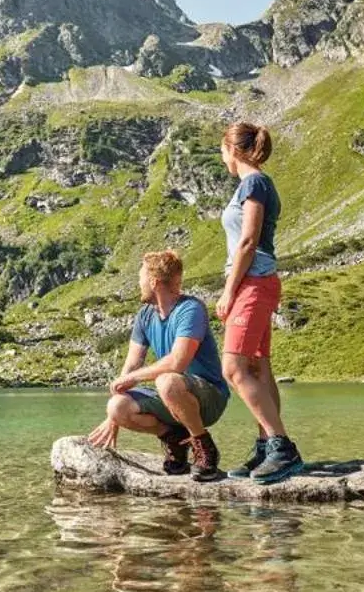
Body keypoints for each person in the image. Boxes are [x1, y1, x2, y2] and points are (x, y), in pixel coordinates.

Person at [86, 249, 228, 481]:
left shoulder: (191, 309)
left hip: (209, 397)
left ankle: (204, 447)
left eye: (141, 278)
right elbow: (132, 364)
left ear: (153, 282)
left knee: (167, 380)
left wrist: (134, 379)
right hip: (172, 396)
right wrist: (113, 417)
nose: (138, 283)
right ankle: (175, 439)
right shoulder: (145, 315)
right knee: (117, 407)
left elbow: (177, 361)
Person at [214, 121, 304, 483]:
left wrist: (228, 290)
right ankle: (268, 444)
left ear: (234, 150)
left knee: (233, 368)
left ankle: (282, 447)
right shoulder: (256, 184)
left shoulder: (253, 183)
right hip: (259, 282)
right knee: (257, 368)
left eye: (222, 150)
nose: (222, 158)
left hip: (253, 281)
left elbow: (248, 241)